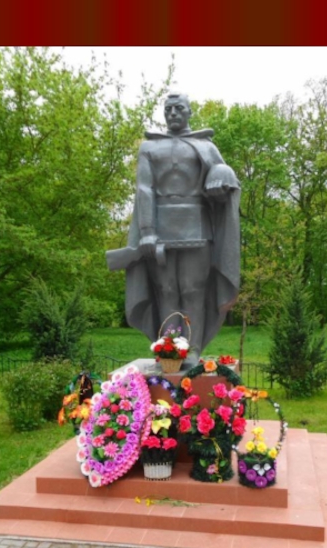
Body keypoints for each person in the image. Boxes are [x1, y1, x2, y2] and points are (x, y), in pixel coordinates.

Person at [121, 92, 240, 367]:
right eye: (168, 109)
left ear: (189, 112)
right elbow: (144, 188)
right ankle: (170, 350)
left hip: (198, 227)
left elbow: (222, 180)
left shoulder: (205, 146)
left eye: (178, 108)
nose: (173, 113)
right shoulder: (149, 147)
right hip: (159, 229)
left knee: (193, 290)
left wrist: (222, 181)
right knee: (165, 290)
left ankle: (193, 348)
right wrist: (147, 230)